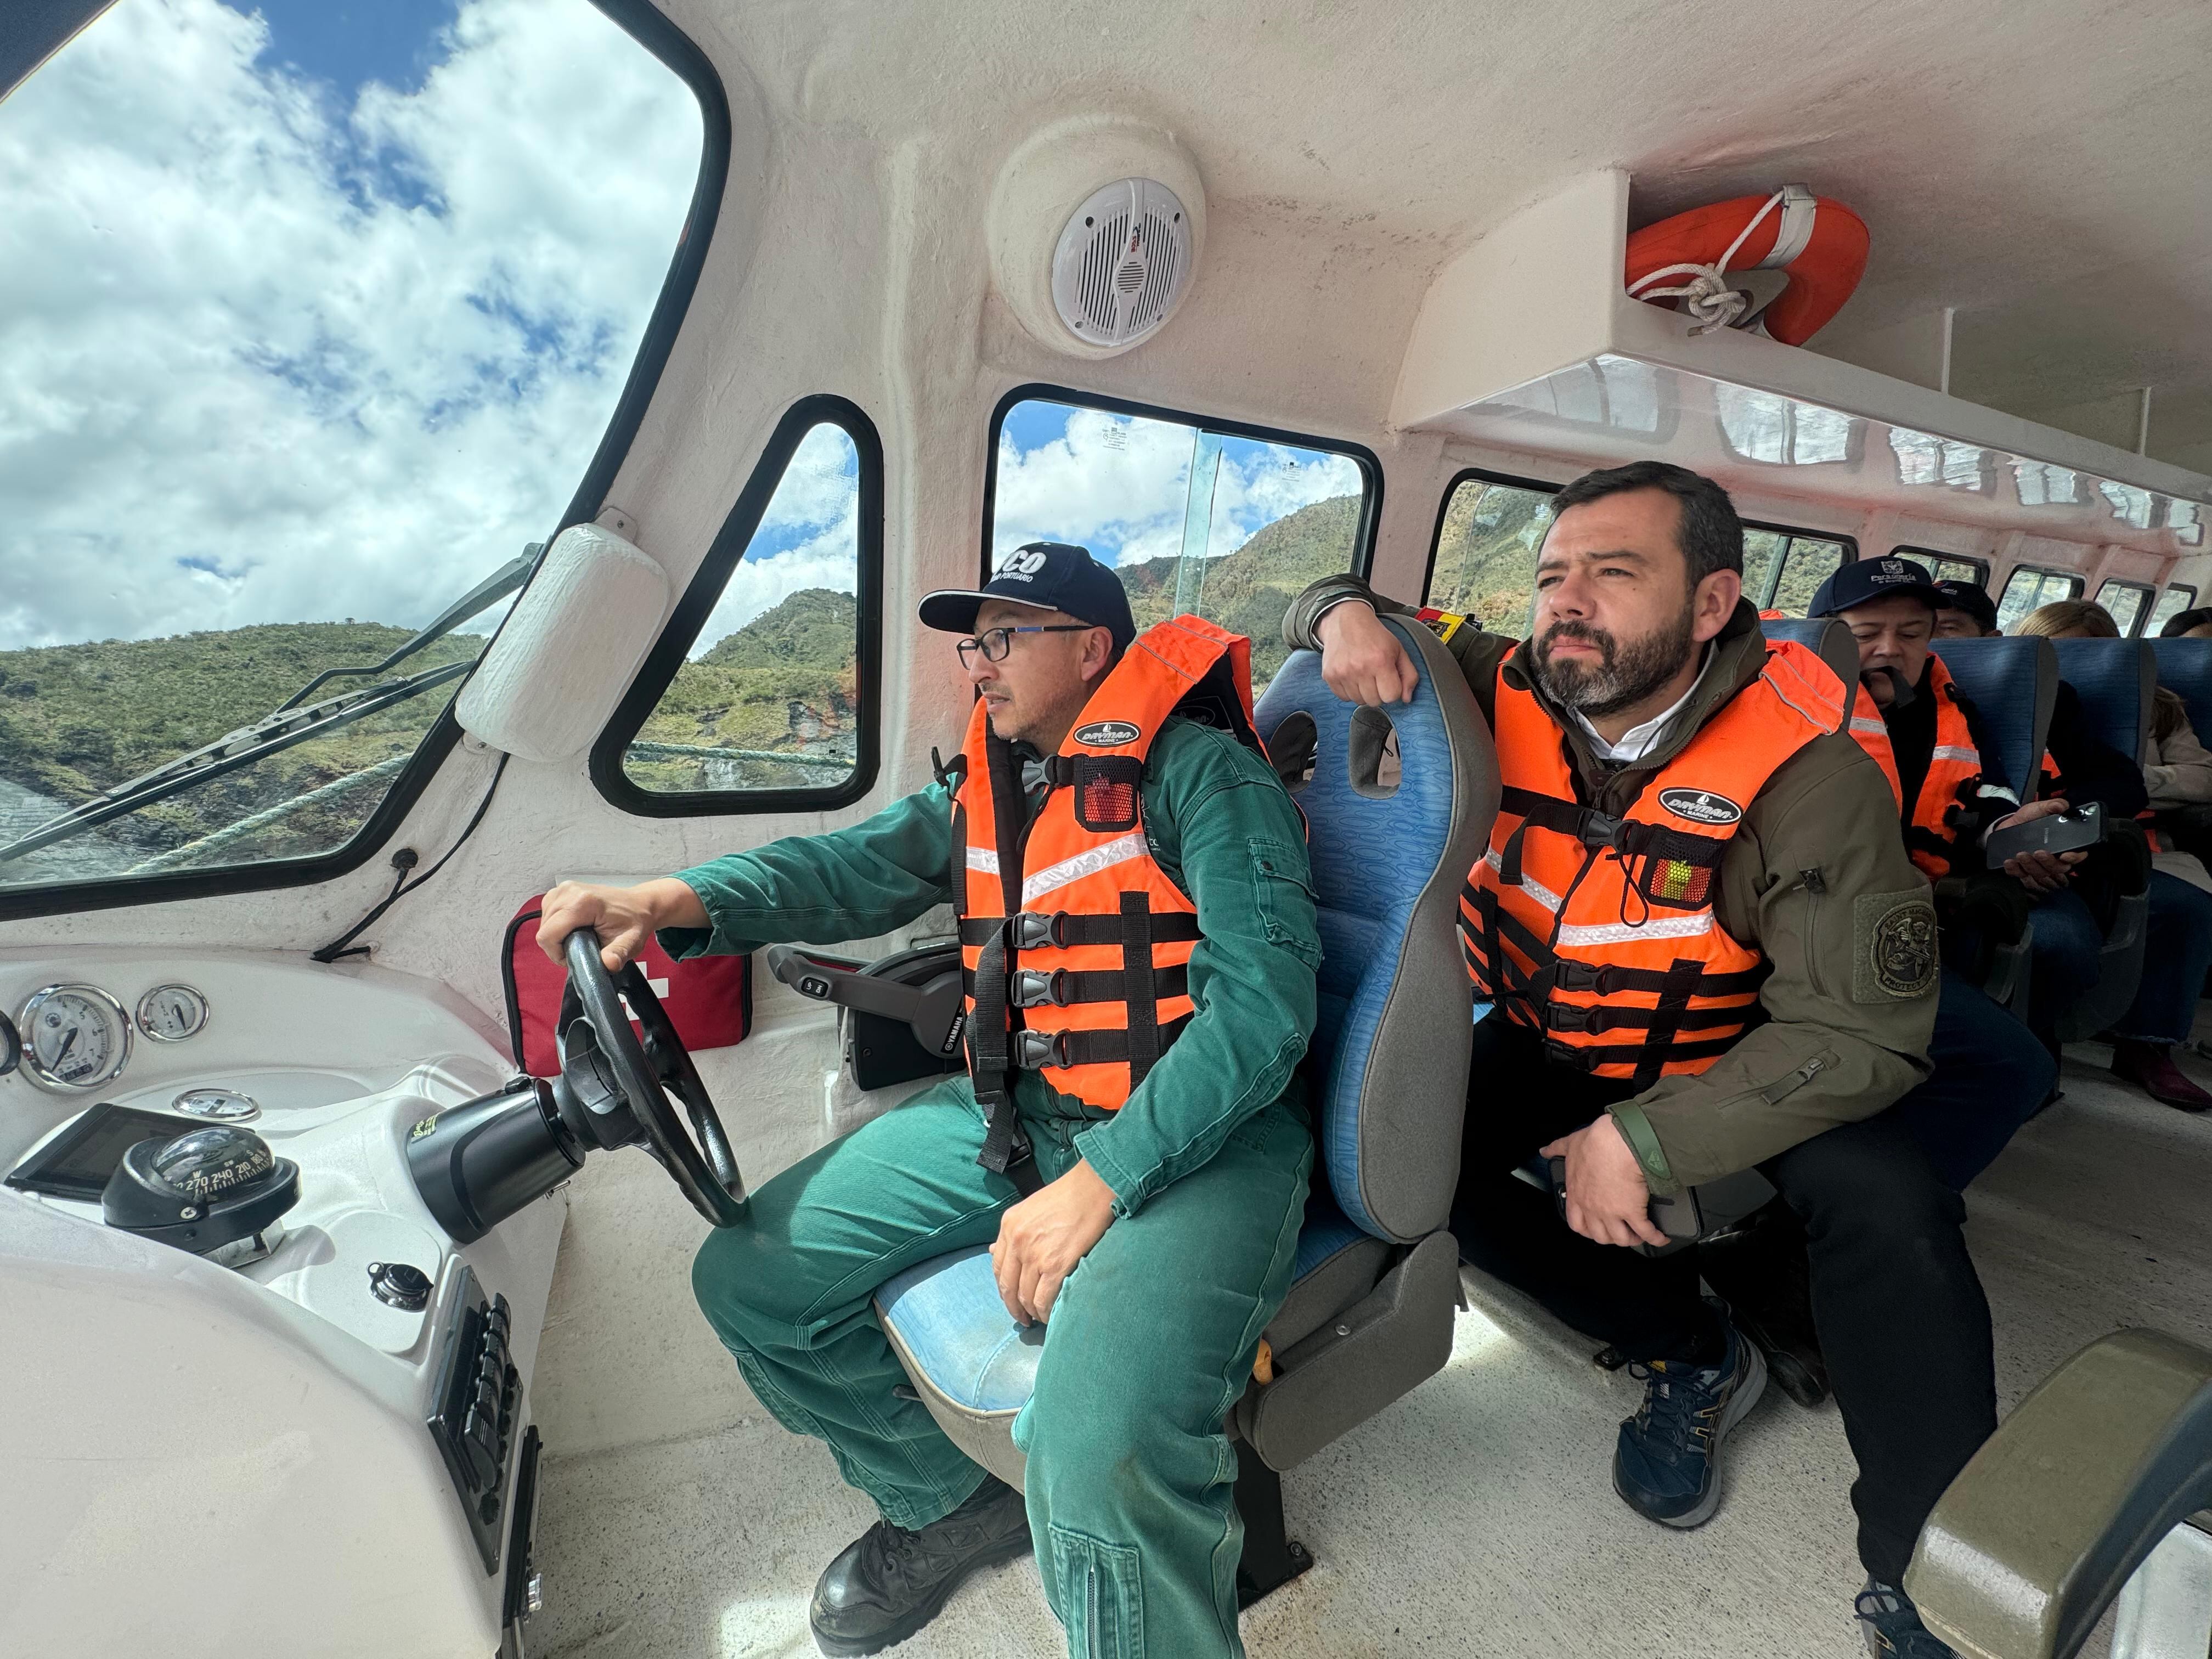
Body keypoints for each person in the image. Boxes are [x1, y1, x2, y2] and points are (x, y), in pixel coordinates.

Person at [538, 544, 1323, 1659]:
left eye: (1004, 638)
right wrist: (675, 898)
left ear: (1091, 649)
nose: (979, 665)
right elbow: (847, 867)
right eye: (973, 643)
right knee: (753, 1279)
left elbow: (1264, 1010)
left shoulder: (1207, 777)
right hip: (1030, 1115)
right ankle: (949, 1504)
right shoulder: (994, 785)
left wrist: (1101, 1181)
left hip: (1210, 1140)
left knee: (1099, 1451)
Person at [1285, 461, 1995, 1659]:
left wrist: (1646, 1137)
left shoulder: (1811, 772)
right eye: (1552, 574)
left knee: (1894, 1210)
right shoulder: (1495, 673)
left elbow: (1860, 1034)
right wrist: (1340, 612)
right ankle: (1691, 1349)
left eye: (1614, 574)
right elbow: (1337, 601)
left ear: (1711, 603)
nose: (1568, 602)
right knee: (1403, 1158)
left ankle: (1931, 1579)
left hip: (1743, 1049)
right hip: (1549, 1031)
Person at [1802, 557, 2057, 1185]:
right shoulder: (1778, 705)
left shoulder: (1955, 712)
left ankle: (1873, 1206)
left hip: (1889, 931)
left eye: (1913, 634)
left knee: (2016, 1065)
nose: (1891, 650)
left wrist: (2009, 829)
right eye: (1866, 634)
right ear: (1825, 638)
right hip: (1794, 931)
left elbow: (1987, 797)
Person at [2006, 599, 2212, 1110]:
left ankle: (2149, 1043)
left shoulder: (2160, 708)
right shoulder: (2009, 695)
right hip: (2046, 832)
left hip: (2133, 841)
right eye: (2055, 653)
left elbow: (2198, 779)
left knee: (2183, 907)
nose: (2067, 665)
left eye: (2086, 653)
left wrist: (2138, 783)